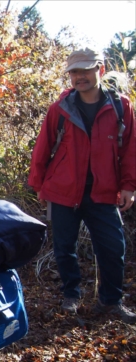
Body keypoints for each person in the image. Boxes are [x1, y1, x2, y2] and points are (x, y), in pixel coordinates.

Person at [28, 47, 136, 323]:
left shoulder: (121, 107)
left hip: (103, 191)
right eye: (75, 72)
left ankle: (110, 302)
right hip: (63, 191)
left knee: (113, 248)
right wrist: (39, 185)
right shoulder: (60, 109)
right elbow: (43, 148)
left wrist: (128, 186)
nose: (80, 77)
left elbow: (130, 151)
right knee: (65, 247)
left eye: (86, 70)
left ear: (99, 70)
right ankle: (71, 296)